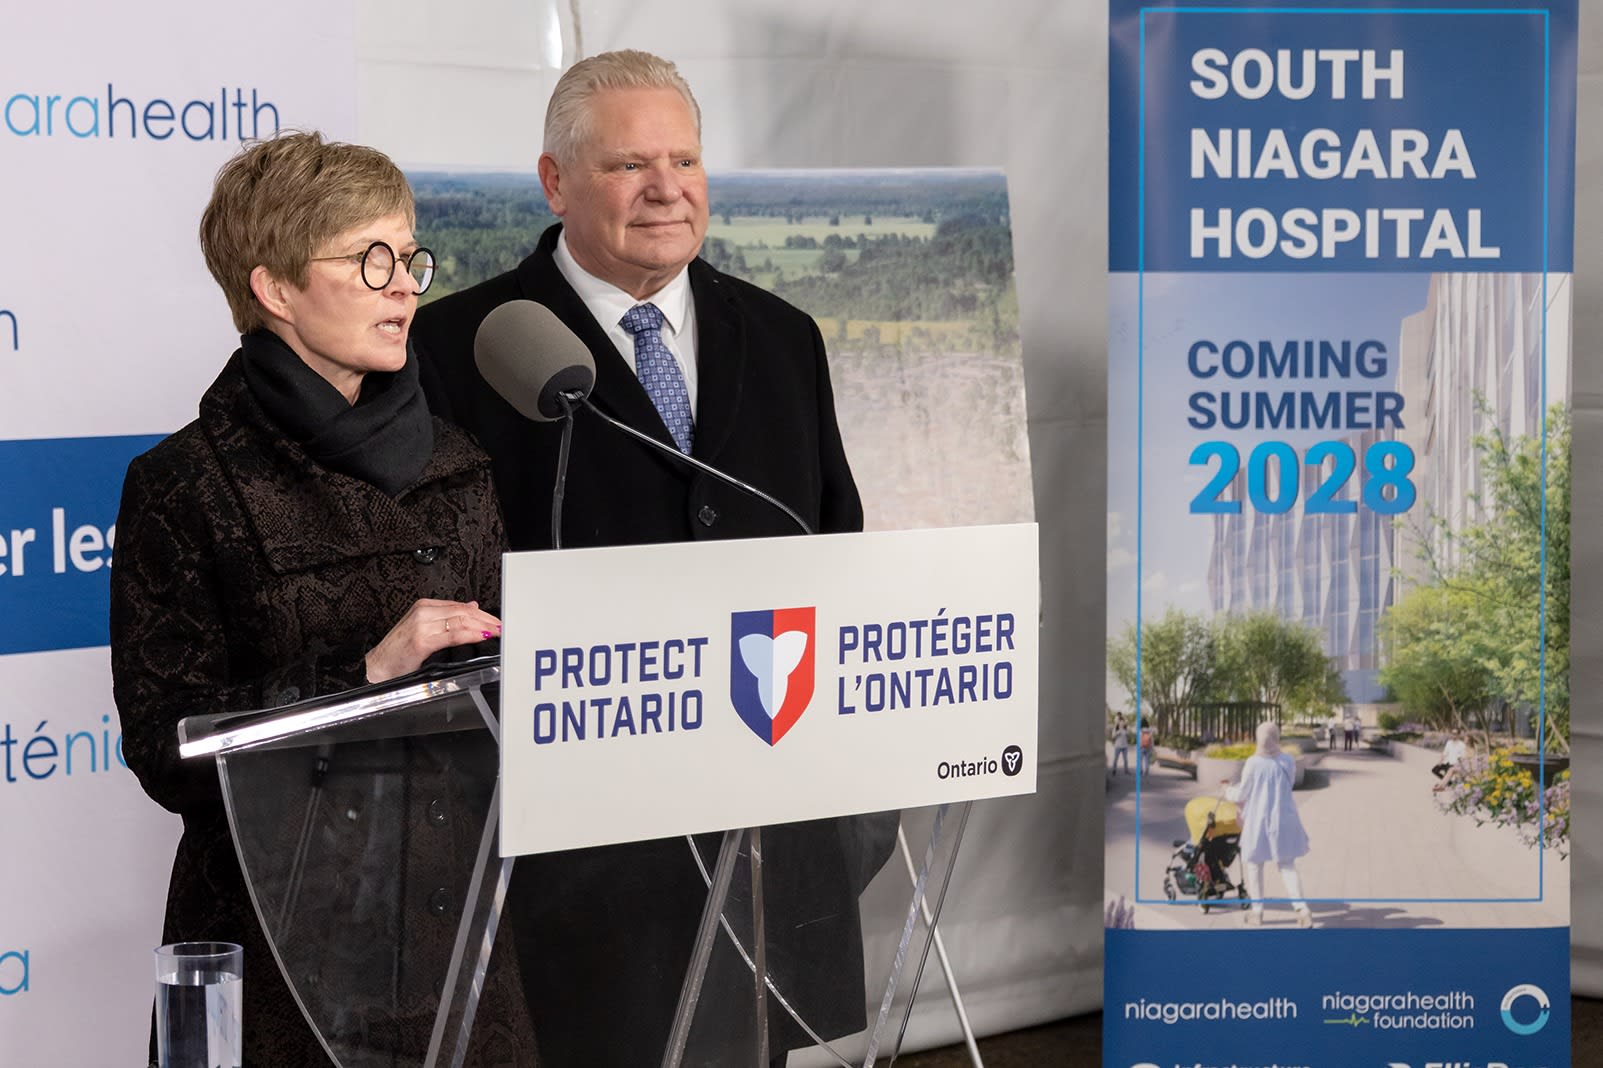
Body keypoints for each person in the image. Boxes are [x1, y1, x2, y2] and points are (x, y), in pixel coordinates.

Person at [410, 50, 895, 1067]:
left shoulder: (783, 336)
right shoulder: (455, 349)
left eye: (684, 160)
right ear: (555, 182)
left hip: (762, 836)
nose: (666, 189)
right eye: (629, 165)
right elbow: (438, 592)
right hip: (579, 866)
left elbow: (833, 548)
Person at [110, 132, 533, 1066]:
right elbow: (165, 749)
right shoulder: (187, 484)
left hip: (457, 945)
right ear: (275, 289)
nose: (404, 287)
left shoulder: (458, 463)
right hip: (284, 962)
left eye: (409, 257)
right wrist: (366, 674)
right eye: (370, 260)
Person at [1226, 722, 1313, 928]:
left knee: (1254, 864)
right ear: (1276, 737)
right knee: (1287, 865)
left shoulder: (1253, 763)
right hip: (1283, 819)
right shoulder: (1288, 760)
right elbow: (1289, 784)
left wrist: (1227, 791)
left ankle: (1257, 912)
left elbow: (1242, 794)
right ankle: (1302, 909)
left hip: (1259, 821)